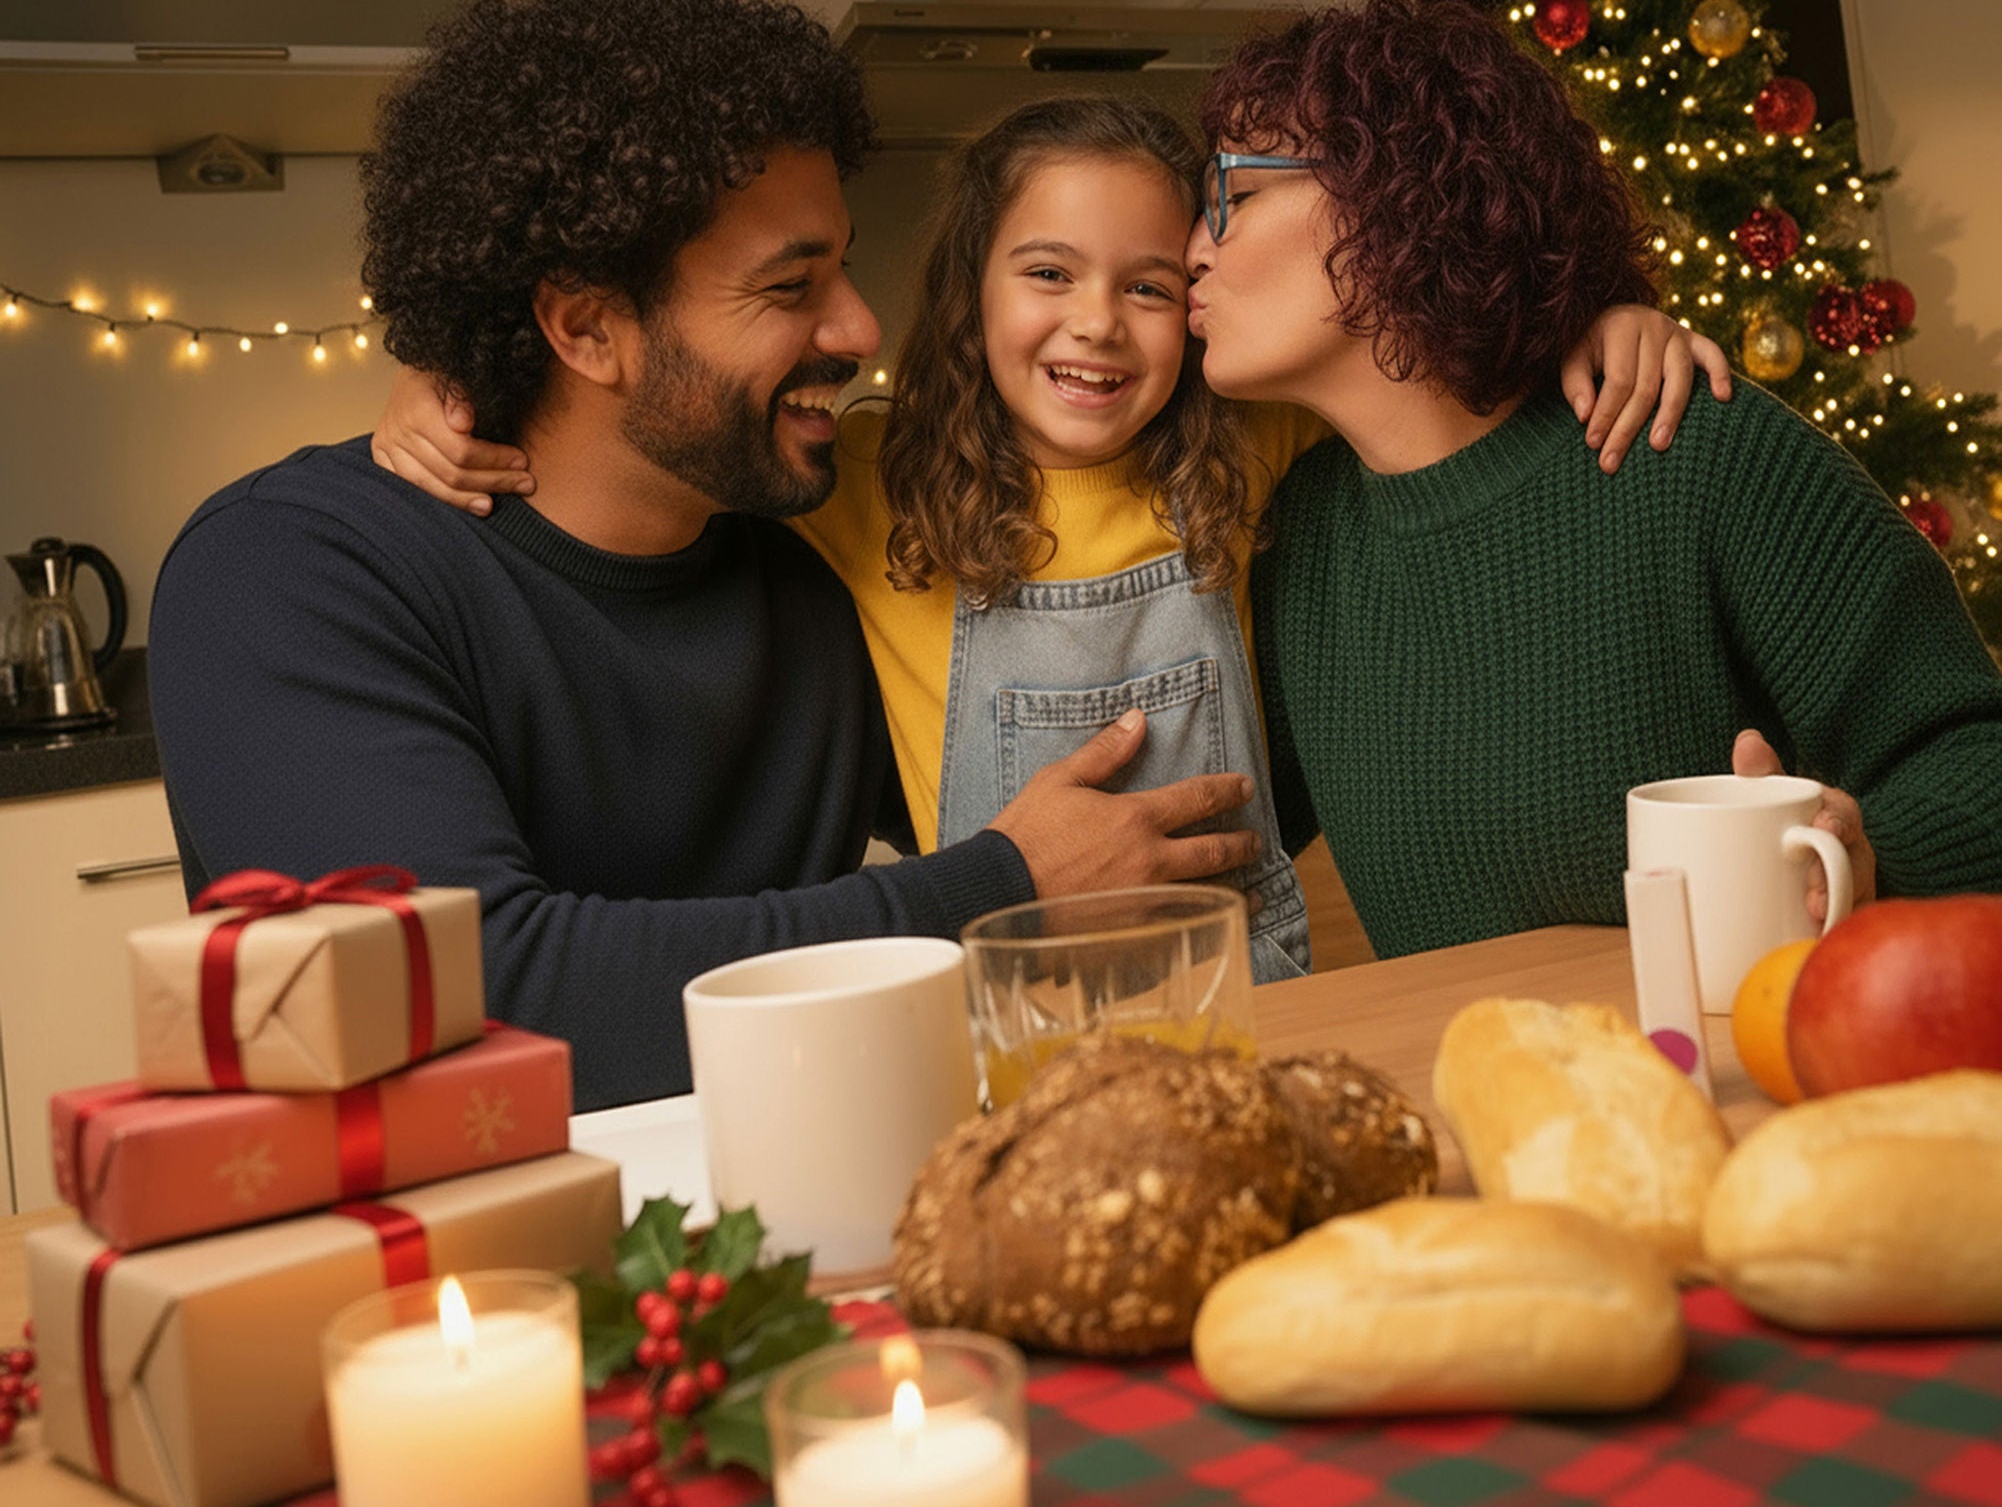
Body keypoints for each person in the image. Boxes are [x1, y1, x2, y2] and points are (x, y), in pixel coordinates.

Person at [147, 0, 1269, 1112]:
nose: (858, 330)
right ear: (586, 325)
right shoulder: (291, 572)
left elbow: (1118, 799)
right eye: (791, 286)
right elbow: (464, 1000)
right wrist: (1000, 887)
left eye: (838, 269)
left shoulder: (812, 570)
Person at [374, 92, 1731, 982]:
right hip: (995, 1017)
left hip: (1251, 995)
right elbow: (631, 427)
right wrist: (445, 385)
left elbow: (1448, 359)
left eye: (1148, 287)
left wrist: (1604, 317)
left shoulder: (1254, 442)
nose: (1096, 324)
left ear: (1195, 306)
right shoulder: (857, 480)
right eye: (1047, 274)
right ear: (971, 290)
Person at [1184, 0, 2002, 960]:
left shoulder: (1689, 449)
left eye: (1234, 192)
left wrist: (1871, 855)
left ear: (1397, 192)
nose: (1192, 251)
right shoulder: (1304, 541)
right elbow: (1212, 832)